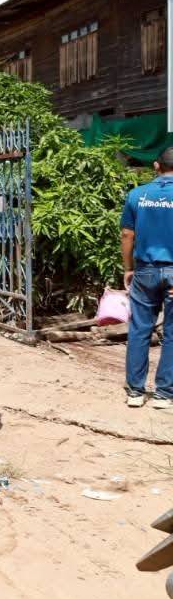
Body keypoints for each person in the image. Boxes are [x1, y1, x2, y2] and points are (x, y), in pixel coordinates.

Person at [121, 145, 173, 409]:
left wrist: (128, 268)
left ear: (156, 166)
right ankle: (164, 394)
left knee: (140, 330)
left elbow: (127, 235)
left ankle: (135, 392)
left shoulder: (137, 195)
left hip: (145, 270)